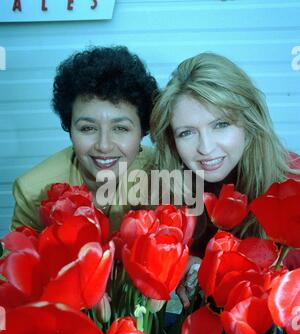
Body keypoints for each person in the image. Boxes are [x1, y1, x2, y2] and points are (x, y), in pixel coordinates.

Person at [150, 52, 300, 306]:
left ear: (249, 121)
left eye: (221, 125)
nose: (206, 148)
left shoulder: (292, 182)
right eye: (187, 132)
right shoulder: (165, 182)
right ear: (172, 141)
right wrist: (180, 263)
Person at [11, 46, 158, 233]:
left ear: (142, 131)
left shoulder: (166, 174)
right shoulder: (33, 191)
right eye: (88, 128)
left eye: (120, 128)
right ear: (70, 128)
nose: (104, 146)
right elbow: (17, 258)